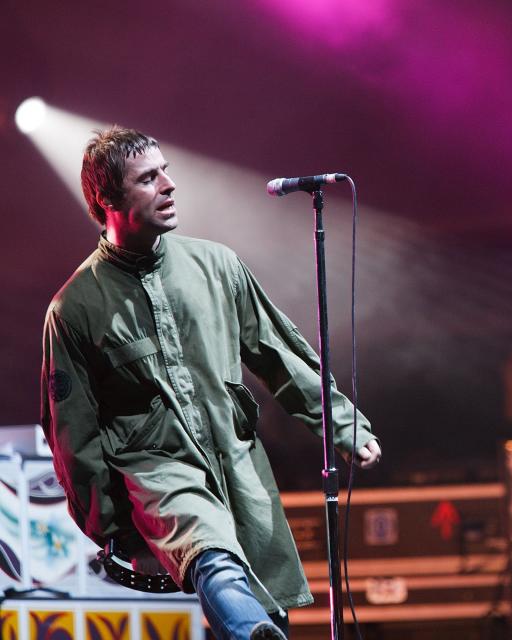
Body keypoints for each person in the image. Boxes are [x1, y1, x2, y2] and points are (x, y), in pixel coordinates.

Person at [40, 126, 382, 640]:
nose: (169, 185)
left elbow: (281, 355)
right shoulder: (75, 308)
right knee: (211, 555)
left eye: (166, 171)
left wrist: (343, 424)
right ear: (108, 199)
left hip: (239, 466)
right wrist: (111, 530)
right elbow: (73, 432)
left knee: (261, 597)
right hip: (158, 475)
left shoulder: (217, 265)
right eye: (148, 178)